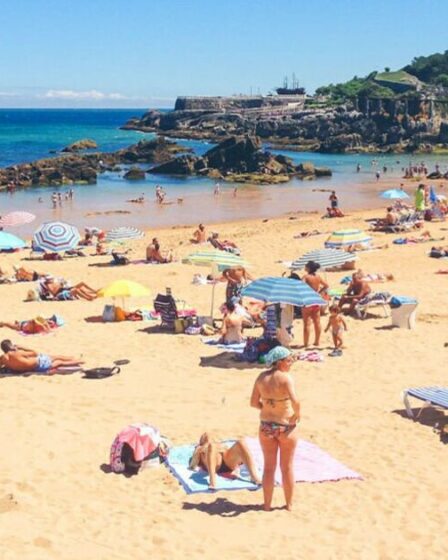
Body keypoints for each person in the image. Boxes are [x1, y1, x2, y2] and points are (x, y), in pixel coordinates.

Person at [250, 346, 300, 511]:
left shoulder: (260, 378)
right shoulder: (285, 378)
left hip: (266, 426)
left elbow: (253, 402)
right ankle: (289, 504)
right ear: (279, 362)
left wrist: (267, 406)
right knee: (287, 467)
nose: (290, 362)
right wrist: (297, 414)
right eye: (288, 360)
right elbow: (295, 401)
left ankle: (267, 505)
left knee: (269, 467)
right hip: (285, 426)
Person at [189, 432, 261, 489]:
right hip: (214, 466)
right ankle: (212, 480)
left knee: (240, 442)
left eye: (211, 438)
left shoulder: (220, 446)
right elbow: (193, 464)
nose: (208, 438)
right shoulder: (200, 450)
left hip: (226, 461)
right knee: (212, 446)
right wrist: (200, 449)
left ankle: (254, 477)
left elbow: (240, 459)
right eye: (205, 438)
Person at [0, 339, 84, 374]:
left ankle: (74, 359)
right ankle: (78, 360)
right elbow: (35, 353)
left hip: (31, 368)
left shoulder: (3, 358)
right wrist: (22, 347)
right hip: (40, 365)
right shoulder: (17, 353)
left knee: (55, 358)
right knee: (58, 359)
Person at [301, 261, 328, 347]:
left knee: (307, 323)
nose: (305, 267)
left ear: (309, 268)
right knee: (317, 322)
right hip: (316, 300)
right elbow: (326, 285)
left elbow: (300, 286)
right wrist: (319, 292)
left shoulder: (306, 277)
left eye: (306, 266)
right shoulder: (318, 277)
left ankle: (306, 344)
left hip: (308, 300)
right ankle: (317, 342)